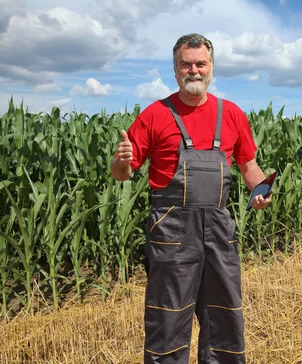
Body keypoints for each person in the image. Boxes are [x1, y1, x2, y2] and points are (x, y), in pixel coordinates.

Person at [110, 33, 272, 364]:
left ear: (211, 67)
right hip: (172, 234)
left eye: (200, 64)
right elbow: (121, 173)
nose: (194, 71)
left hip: (218, 233)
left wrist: (261, 190)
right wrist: (122, 161)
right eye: (186, 64)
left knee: (224, 318)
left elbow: (248, 165)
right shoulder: (155, 114)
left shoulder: (232, 114)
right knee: (168, 321)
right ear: (175, 69)